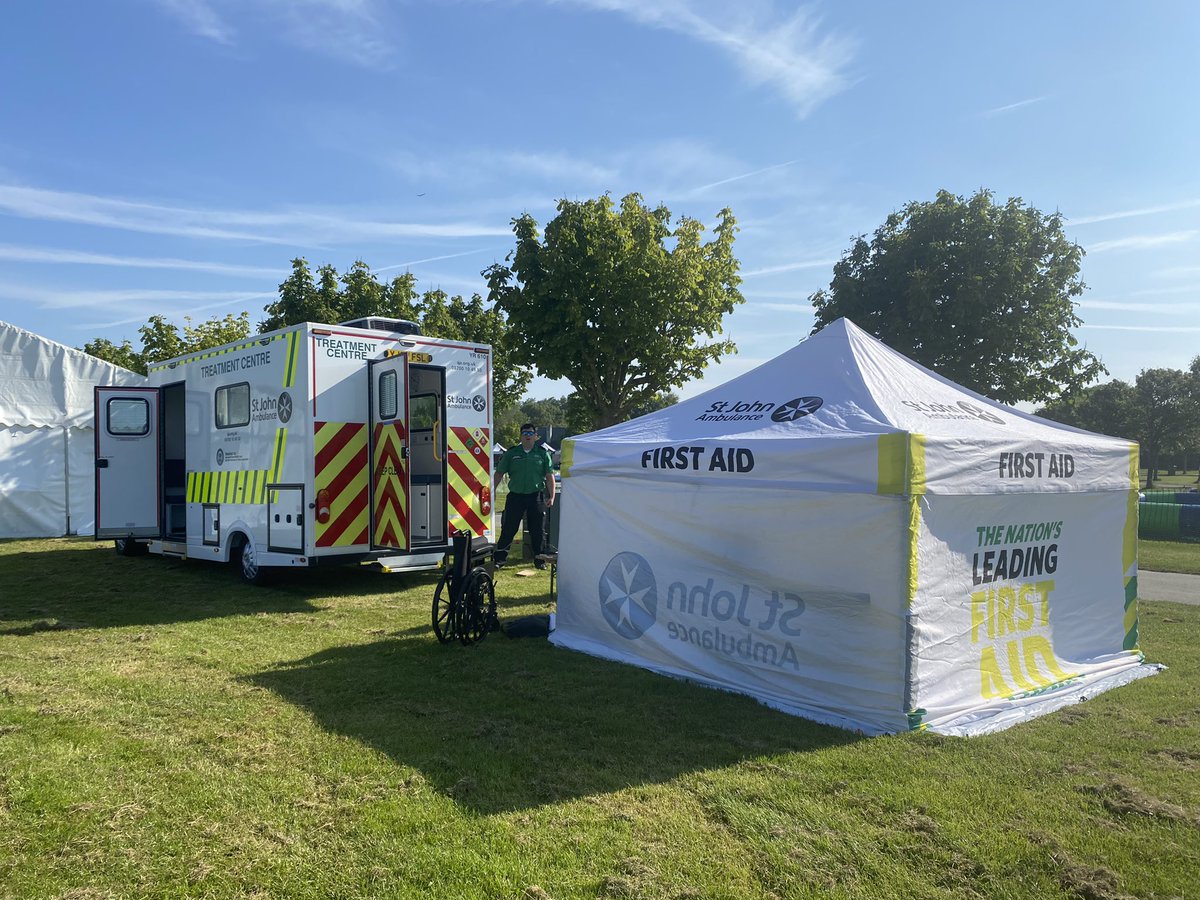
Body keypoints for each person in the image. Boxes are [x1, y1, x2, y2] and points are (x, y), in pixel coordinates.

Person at [494, 423, 556, 568]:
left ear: (536, 436)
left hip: (536, 496)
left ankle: (540, 561)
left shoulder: (542, 453)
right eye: (525, 434)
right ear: (520, 436)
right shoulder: (512, 453)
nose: (527, 436)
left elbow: (549, 476)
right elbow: (499, 473)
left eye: (530, 434)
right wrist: (493, 492)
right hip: (516, 496)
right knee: (509, 528)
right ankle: (499, 560)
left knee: (538, 530)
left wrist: (551, 496)